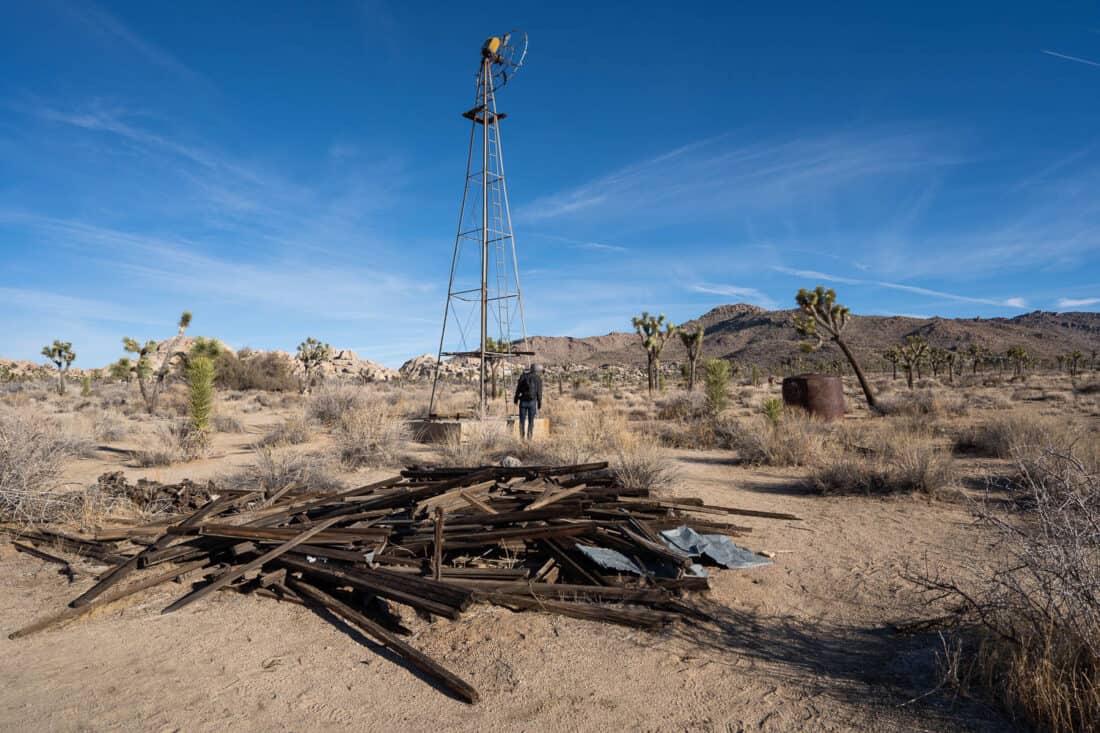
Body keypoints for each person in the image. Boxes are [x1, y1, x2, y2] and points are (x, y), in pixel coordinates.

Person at [513, 363, 543, 440]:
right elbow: (539, 392)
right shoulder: (538, 378)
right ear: (536, 370)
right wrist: (539, 404)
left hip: (523, 401)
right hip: (532, 402)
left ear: (530, 369)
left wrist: (516, 399)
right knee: (531, 421)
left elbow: (518, 389)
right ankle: (529, 438)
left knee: (522, 421)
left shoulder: (523, 377)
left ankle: (522, 438)